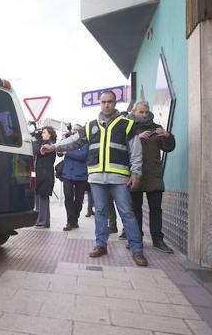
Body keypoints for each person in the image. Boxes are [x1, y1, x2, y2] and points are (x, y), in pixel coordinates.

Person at [41, 91, 148, 266]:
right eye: (104, 102)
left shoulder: (127, 125)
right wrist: (53, 147)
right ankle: (101, 245)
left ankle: (137, 250)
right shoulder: (91, 125)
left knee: (127, 213)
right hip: (97, 177)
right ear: (100, 103)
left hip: (119, 177)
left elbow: (136, 151)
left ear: (115, 103)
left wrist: (136, 173)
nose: (107, 105)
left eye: (110, 102)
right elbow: (74, 140)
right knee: (100, 213)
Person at [128, 101, 176, 253]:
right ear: (134, 112)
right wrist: (137, 138)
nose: (144, 114)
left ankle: (158, 240)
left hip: (154, 175)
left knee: (156, 208)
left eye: (146, 112)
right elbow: (121, 147)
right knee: (135, 209)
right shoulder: (128, 128)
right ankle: (136, 239)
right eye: (140, 112)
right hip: (135, 174)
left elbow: (169, 148)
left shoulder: (156, 128)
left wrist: (167, 136)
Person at [60, 124, 88, 231]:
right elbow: (60, 153)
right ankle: (69, 221)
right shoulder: (68, 140)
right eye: (74, 130)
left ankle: (75, 219)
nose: (75, 131)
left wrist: (67, 151)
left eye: (77, 130)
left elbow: (83, 155)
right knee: (68, 197)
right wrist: (61, 149)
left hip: (81, 175)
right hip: (67, 173)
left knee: (79, 199)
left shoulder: (85, 142)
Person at [33, 126, 57, 228]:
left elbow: (37, 152)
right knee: (39, 197)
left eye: (44, 132)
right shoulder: (43, 143)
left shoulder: (50, 145)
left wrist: (34, 141)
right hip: (41, 173)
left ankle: (42, 221)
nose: (42, 134)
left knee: (43, 197)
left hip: (45, 174)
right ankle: (42, 220)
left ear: (50, 134)